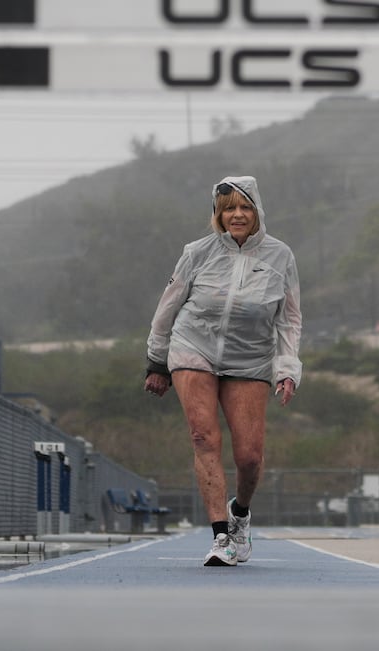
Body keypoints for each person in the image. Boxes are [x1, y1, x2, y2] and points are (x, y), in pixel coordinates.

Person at [144, 175, 301, 566]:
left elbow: (290, 320)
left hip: (249, 358)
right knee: (202, 436)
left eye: (245, 207)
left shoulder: (281, 257)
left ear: (258, 212)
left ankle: (240, 514)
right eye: (228, 208)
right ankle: (220, 537)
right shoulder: (197, 252)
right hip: (193, 345)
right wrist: (157, 361)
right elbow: (168, 307)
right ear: (217, 213)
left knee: (248, 456)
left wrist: (287, 368)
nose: (237, 215)